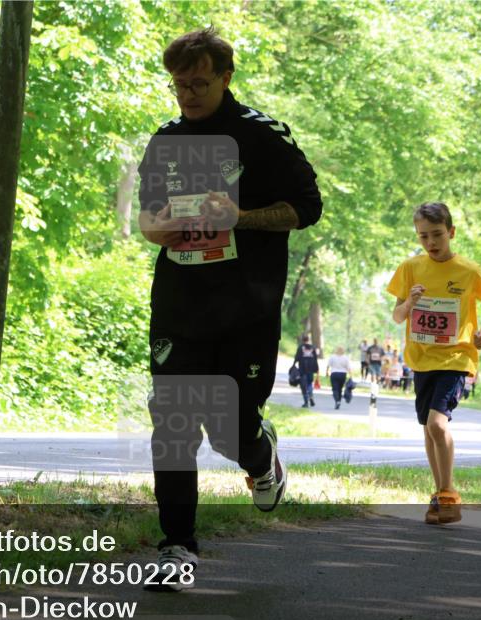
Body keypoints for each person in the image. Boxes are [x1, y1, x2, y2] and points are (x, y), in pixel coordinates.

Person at [137, 27, 322, 590]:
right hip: (179, 304)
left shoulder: (262, 138)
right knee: (171, 421)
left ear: (225, 78)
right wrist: (163, 229)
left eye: (198, 83)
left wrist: (238, 216)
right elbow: (148, 220)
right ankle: (176, 546)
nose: (187, 95)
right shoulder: (165, 140)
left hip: (246, 307)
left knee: (228, 428)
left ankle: (258, 454)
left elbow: (307, 209)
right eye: (178, 86)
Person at [387, 202, 481, 525]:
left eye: (437, 235)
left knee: (437, 424)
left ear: (451, 232)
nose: (431, 243)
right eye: (424, 236)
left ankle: (449, 494)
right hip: (421, 359)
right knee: (428, 429)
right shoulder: (410, 268)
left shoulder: (468, 270)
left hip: (456, 355)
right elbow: (397, 316)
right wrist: (410, 302)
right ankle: (439, 494)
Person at [294, 334, 319, 408]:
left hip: (302, 369)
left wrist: (293, 365)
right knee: (309, 383)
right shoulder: (313, 348)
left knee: (303, 385)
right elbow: (315, 359)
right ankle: (310, 395)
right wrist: (317, 369)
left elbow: (297, 357)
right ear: (308, 340)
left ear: (302, 340)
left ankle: (306, 402)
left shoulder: (300, 347)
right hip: (311, 369)